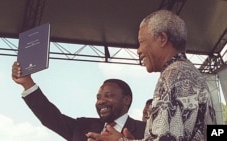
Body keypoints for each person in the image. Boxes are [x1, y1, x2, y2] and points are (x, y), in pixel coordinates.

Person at [86, 9, 217, 141]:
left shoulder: (176, 75)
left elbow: (168, 139)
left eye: (142, 42)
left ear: (162, 39)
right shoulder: (187, 72)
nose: (138, 50)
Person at [11, 63, 145, 141]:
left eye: (108, 96)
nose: (101, 101)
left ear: (126, 99)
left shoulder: (146, 130)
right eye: (98, 97)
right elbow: (50, 117)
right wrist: (27, 83)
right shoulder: (82, 127)